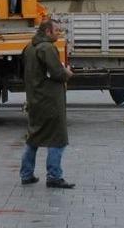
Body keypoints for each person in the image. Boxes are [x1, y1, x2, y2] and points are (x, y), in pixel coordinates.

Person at [19, 19, 75, 189]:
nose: (59, 33)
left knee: (34, 137)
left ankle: (26, 174)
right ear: (48, 32)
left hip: (35, 99)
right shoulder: (48, 48)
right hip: (50, 100)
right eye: (57, 30)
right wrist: (67, 73)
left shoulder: (29, 48)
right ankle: (54, 176)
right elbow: (57, 72)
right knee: (58, 138)